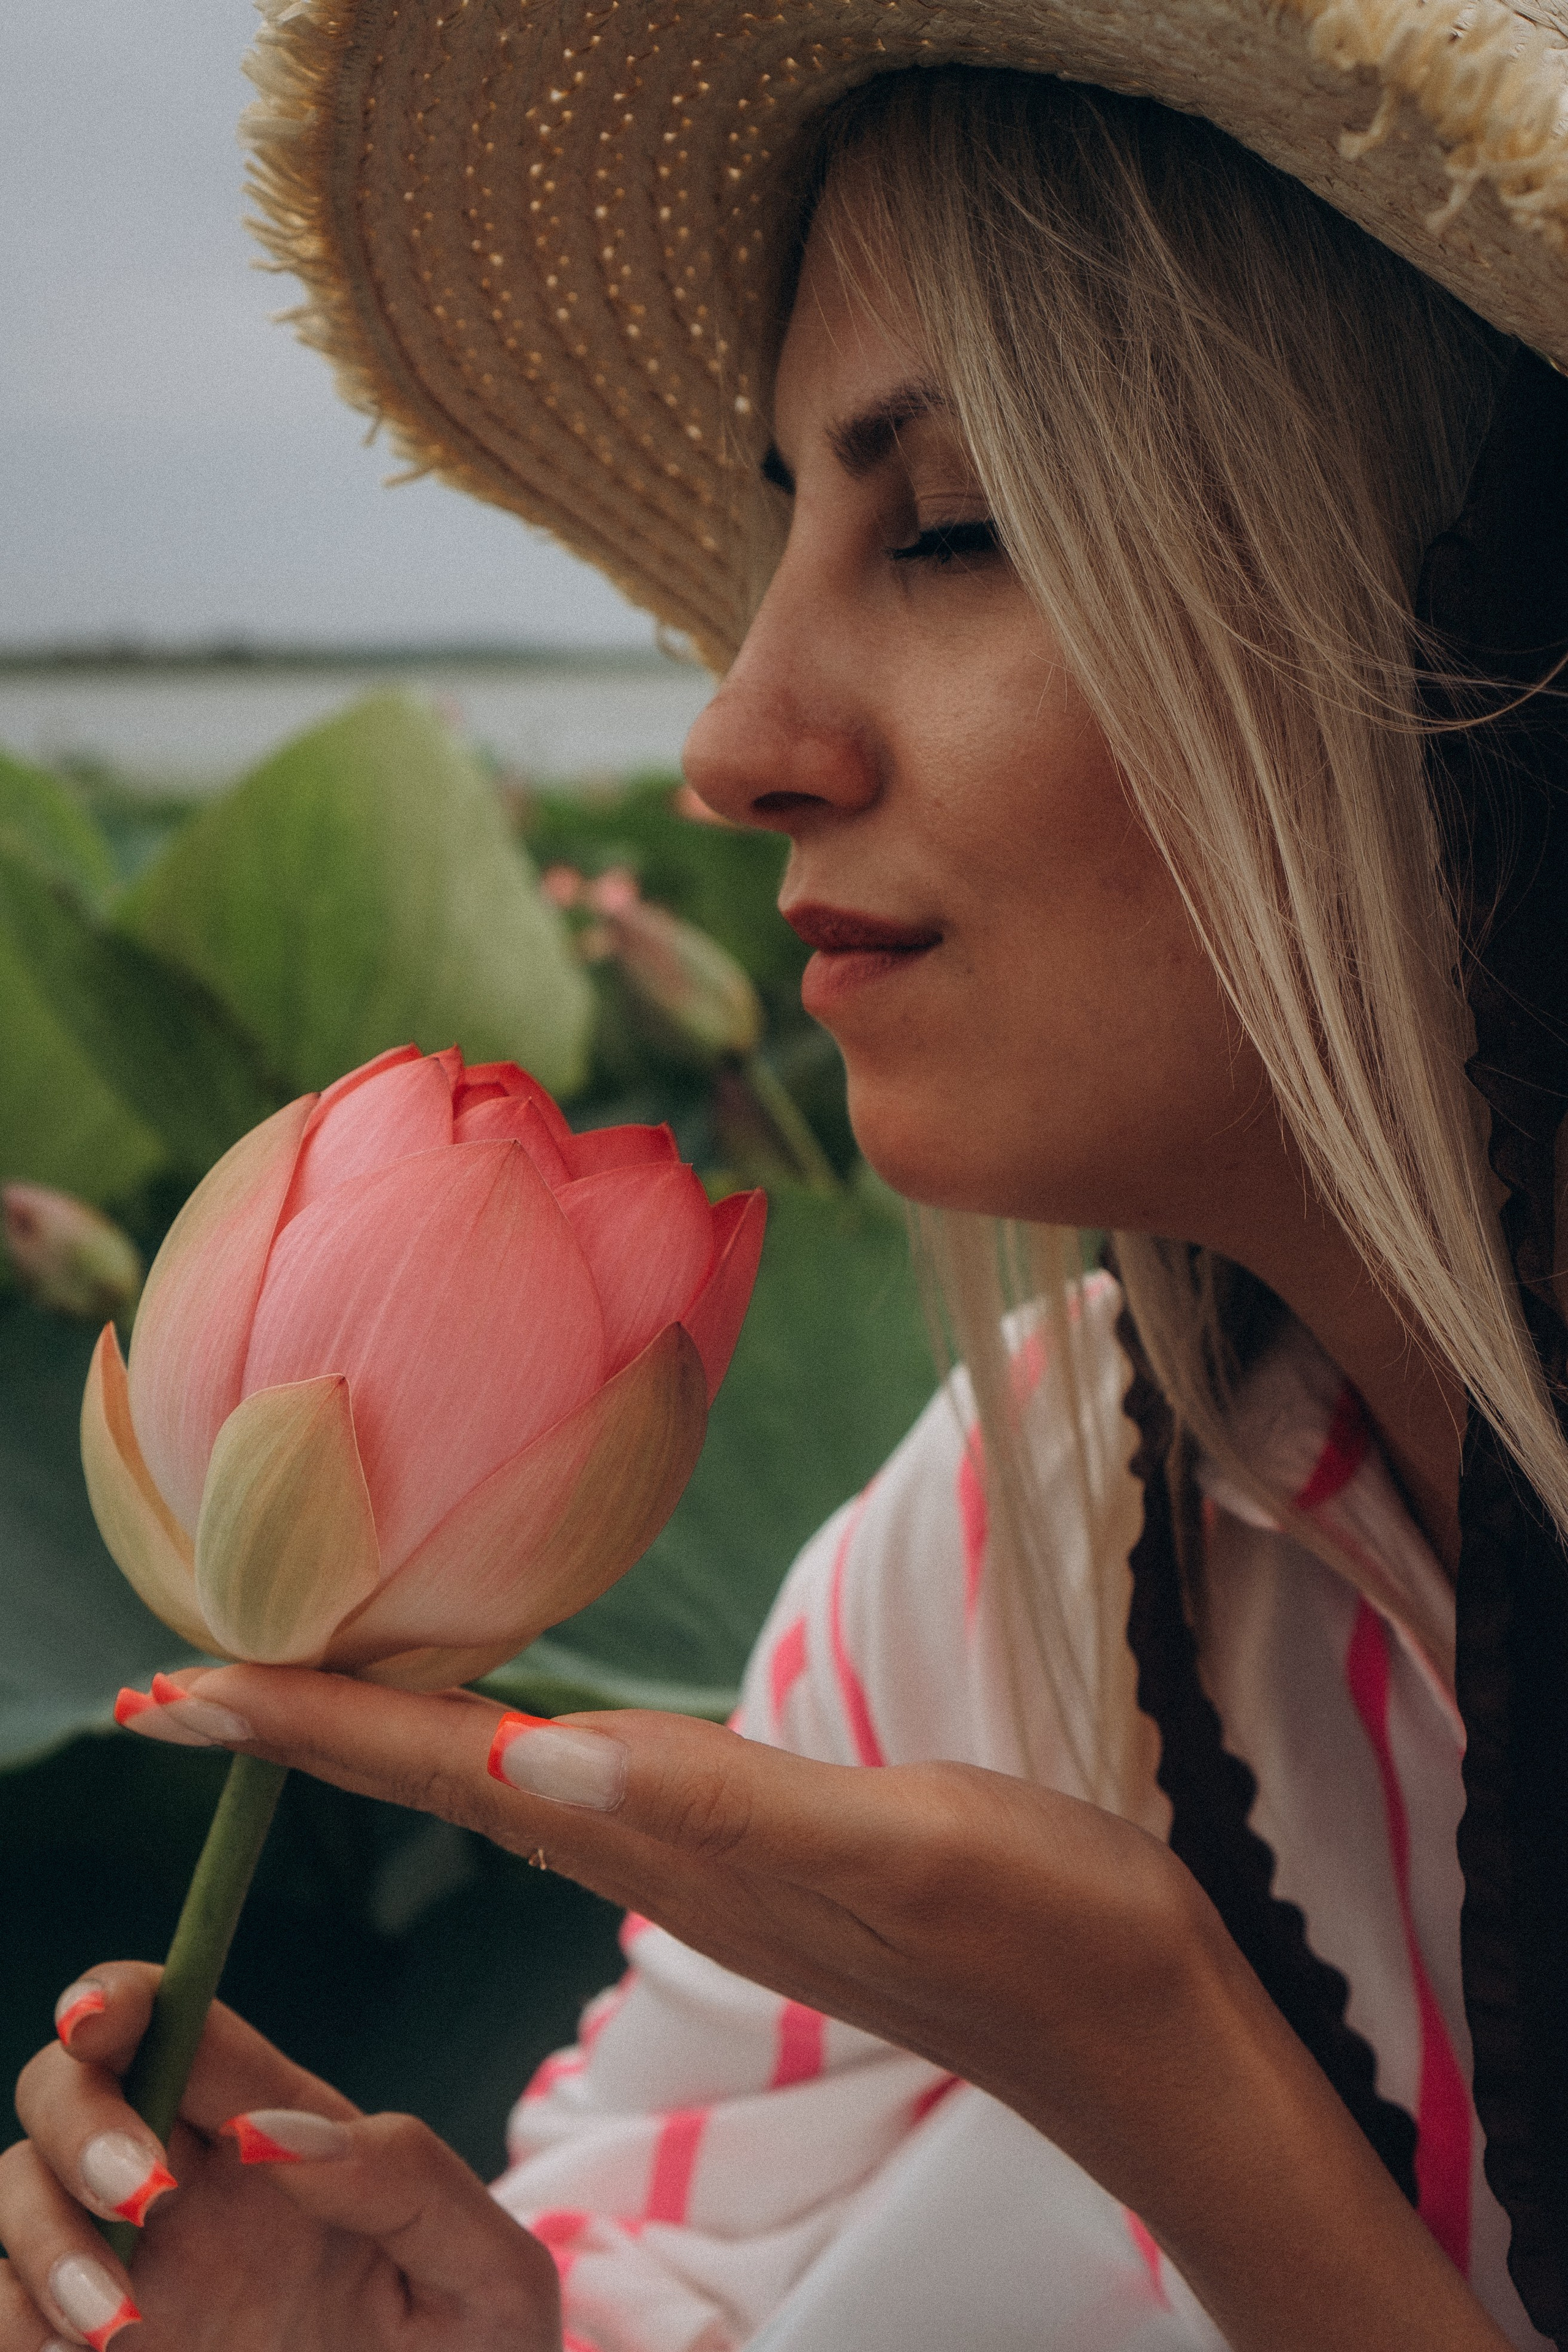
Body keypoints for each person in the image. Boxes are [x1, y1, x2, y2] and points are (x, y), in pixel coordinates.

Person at [3, 6, 1567, 2348]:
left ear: (1467, 625)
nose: (732, 741)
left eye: (946, 527)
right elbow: (658, 2260)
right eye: (784, 532)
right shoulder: (1008, 1529)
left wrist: (1163, 2068)